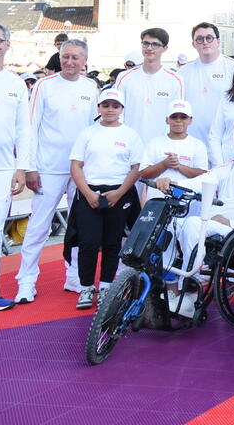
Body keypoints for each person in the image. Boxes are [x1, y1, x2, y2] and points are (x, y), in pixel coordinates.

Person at [16, 38, 96, 303]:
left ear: (85, 60)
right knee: (38, 226)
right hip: (48, 168)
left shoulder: (91, 87)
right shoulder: (43, 86)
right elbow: (30, 127)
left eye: (75, 57)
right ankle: (26, 281)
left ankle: (74, 277)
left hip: (81, 171)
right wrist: (30, 167)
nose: (70, 62)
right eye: (66, 57)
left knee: (79, 227)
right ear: (59, 58)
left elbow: (92, 130)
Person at [167, 119, 234, 304]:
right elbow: (198, 182)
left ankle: (192, 282)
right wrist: (173, 183)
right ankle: (171, 280)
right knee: (173, 223)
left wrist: (232, 223)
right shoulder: (226, 168)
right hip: (216, 225)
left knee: (194, 223)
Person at [68, 89, 143, 309]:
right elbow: (76, 165)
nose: (110, 110)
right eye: (106, 105)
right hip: (90, 193)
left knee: (112, 243)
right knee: (88, 242)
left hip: (118, 193)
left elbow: (136, 168)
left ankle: (106, 286)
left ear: (121, 109)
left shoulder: (130, 135)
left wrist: (119, 192)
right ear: (99, 108)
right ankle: (85, 288)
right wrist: (88, 193)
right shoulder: (87, 133)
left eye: (115, 106)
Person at [0, 23, 31, 310]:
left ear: (7, 45)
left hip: (1, 169)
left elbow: (24, 130)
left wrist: (21, 167)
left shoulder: (15, 83)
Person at [114, 28, 184, 144]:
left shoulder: (175, 80)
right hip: (128, 146)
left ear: (165, 48)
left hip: (161, 148)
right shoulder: (124, 77)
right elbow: (118, 114)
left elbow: (177, 116)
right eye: (146, 43)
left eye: (155, 44)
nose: (149, 48)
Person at [177, 23, 234, 147]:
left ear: (218, 41)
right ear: (194, 44)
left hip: (226, 142)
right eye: (199, 39)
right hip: (193, 143)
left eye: (209, 38)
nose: (205, 42)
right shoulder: (183, 73)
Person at [138, 100, 209, 201]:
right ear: (167, 120)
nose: (178, 121)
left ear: (190, 120)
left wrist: (178, 166)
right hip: (157, 198)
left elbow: (203, 175)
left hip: (186, 200)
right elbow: (144, 174)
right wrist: (164, 164)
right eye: (174, 117)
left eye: (183, 117)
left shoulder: (198, 145)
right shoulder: (154, 143)